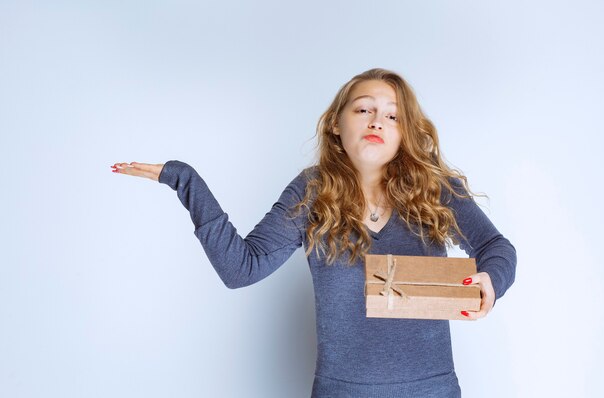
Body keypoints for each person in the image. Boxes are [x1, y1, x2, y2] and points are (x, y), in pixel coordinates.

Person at [111, 68, 516, 397]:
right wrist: (187, 182)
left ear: (405, 133)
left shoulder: (437, 190)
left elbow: (496, 247)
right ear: (336, 125)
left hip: (432, 390)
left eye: (393, 116)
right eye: (363, 110)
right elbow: (241, 268)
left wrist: (491, 280)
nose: (378, 120)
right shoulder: (312, 191)